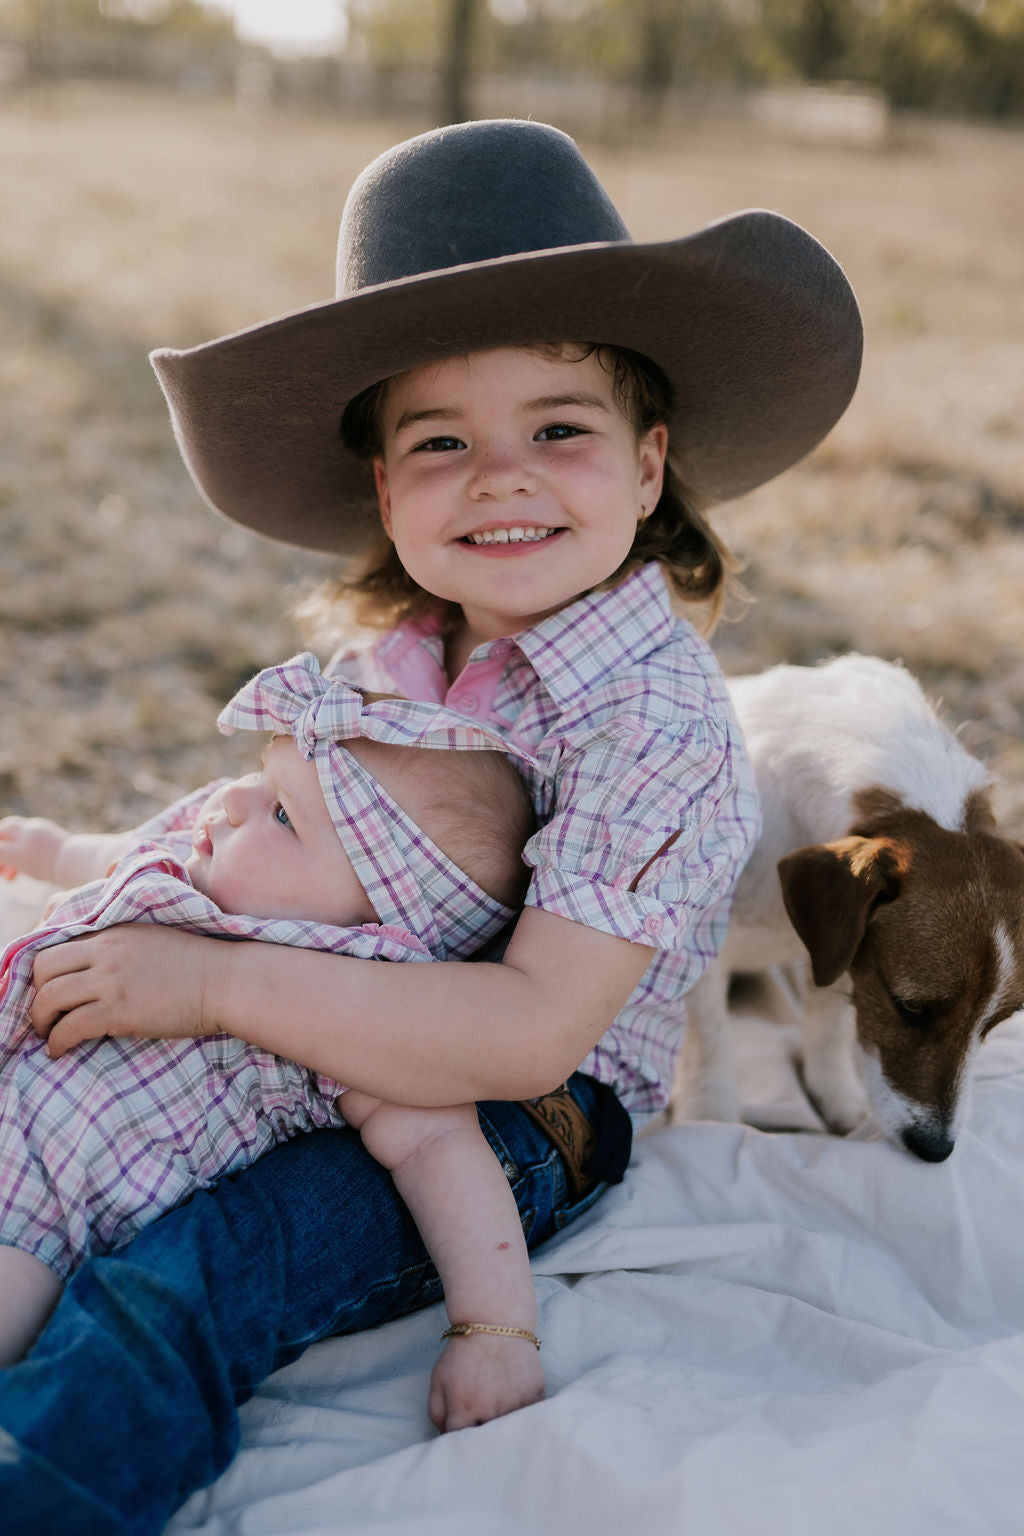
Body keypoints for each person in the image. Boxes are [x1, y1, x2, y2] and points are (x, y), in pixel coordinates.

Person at [0, 118, 861, 1534]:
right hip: (316, 1021)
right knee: (78, 1124)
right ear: (385, 490)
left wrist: (213, 983)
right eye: (442, 441)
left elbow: (529, 1030)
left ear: (651, 469)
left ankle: (50, 1486)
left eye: (559, 432)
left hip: (518, 1109)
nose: (501, 476)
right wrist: (113, 881)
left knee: (203, 1262)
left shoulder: (651, 724)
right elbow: (279, 827)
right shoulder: (408, 657)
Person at [0, 653, 548, 1427]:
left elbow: (442, 1156)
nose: (229, 800)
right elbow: (127, 851)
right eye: (262, 774)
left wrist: (498, 1331)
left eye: (283, 816)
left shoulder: (339, 1016)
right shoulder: (193, 875)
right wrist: (58, 853)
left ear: (375, 927)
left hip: (36, 1223)